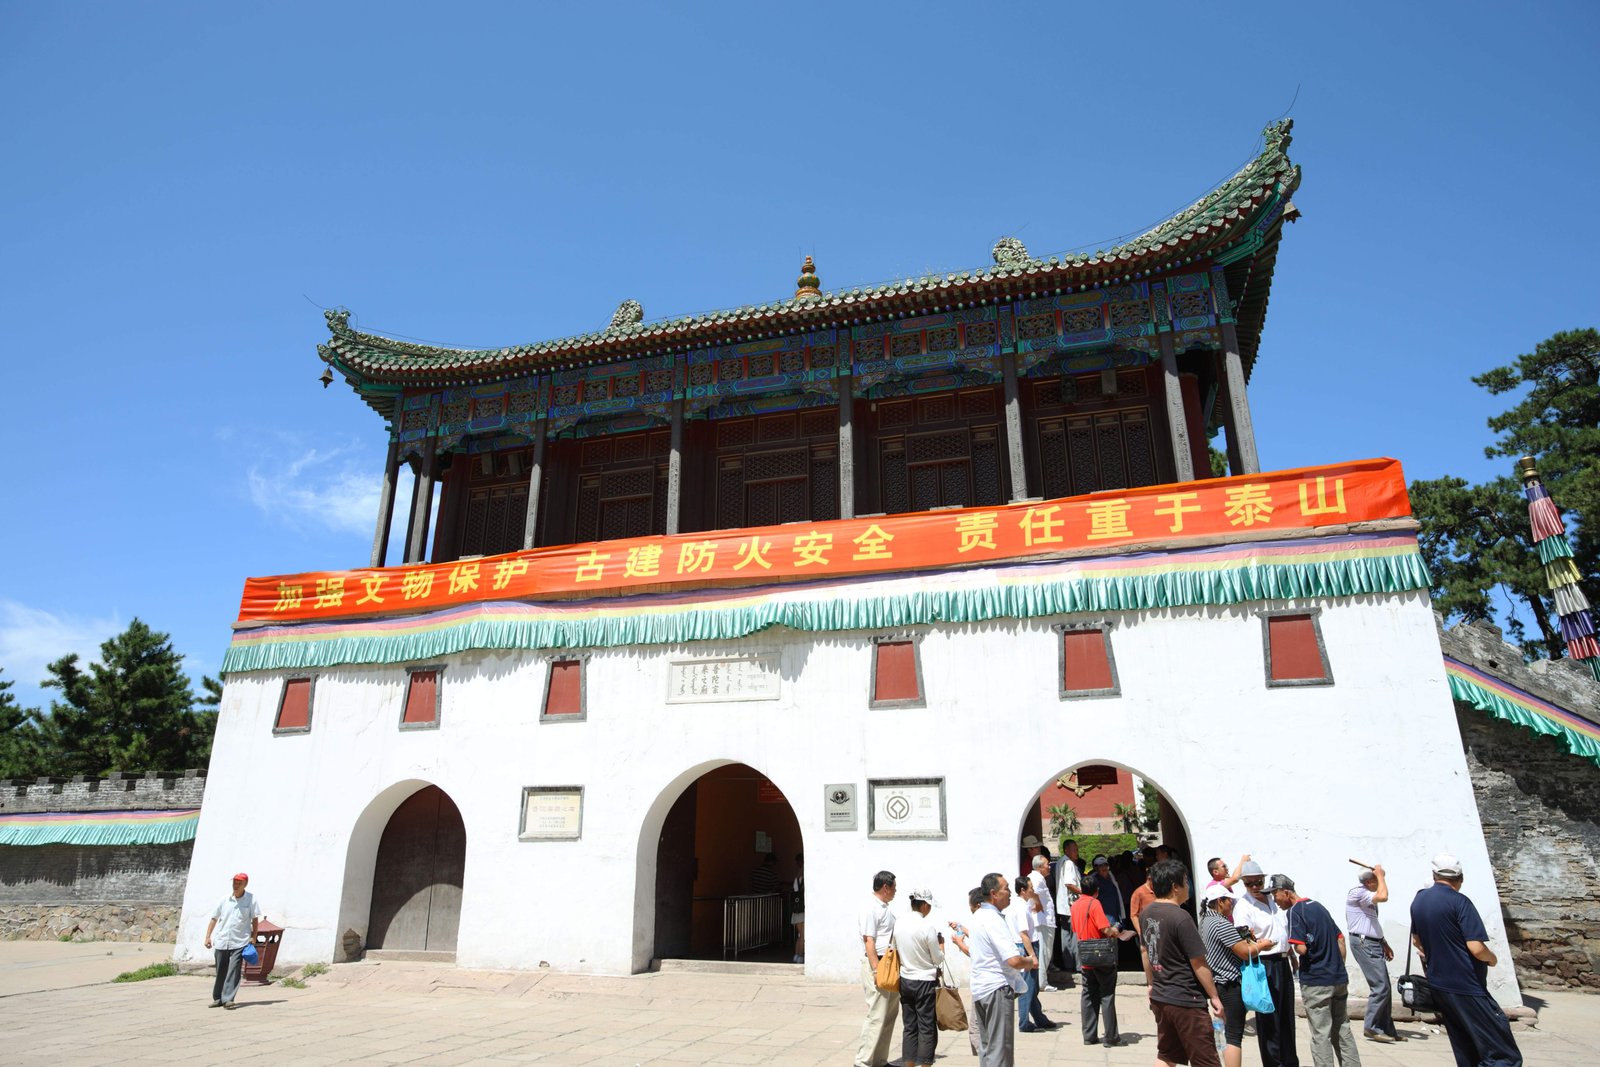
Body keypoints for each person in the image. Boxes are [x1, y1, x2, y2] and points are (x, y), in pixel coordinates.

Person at [1409, 853, 1523, 1067]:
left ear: (1434, 876)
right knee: (1503, 1055)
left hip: (1439, 984)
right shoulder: (1459, 902)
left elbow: (1417, 941)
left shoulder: (1419, 900)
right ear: (1460, 878)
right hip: (1466, 985)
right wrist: (1492, 959)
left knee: (1466, 1048)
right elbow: (1476, 948)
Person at [1141, 859, 1225, 1067]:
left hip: (1161, 995)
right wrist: (1214, 996)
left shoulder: (1147, 913)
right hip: (1186, 998)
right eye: (1186, 881)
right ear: (1174, 886)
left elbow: (1145, 951)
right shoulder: (1181, 917)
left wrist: (1151, 983)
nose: (1189, 886)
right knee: (1206, 1060)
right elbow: (1198, 962)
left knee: (1167, 1055)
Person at [1272, 874, 1362, 1067]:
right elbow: (1340, 940)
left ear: (1286, 893)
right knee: (1343, 1030)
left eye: (1275, 895)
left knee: (1321, 1034)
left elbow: (1302, 948)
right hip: (1337, 979)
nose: (1274, 900)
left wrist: (1297, 952)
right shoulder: (1319, 907)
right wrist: (1338, 967)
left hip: (1316, 982)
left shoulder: (1295, 912)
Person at [1233, 860, 1298, 1067]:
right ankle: (1274, 1063)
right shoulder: (1243, 906)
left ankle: (1289, 1061)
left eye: (1258, 882)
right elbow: (1244, 938)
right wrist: (1260, 944)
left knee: (1287, 1016)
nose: (1254, 887)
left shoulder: (1273, 899)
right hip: (1265, 962)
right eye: (1249, 884)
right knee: (1269, 1018)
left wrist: (1292, 954)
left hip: (1283, 960)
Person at [1201, 883, 1274, 1067]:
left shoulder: (1206, 921)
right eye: (1229, 901)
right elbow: (1245, 952)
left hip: (1219, 983)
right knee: (1233, 1035)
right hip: (1230, 984)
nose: (1231, 905)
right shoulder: (1220, 923)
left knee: (1224, 1032)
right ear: (1219, 901)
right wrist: (1263, 945)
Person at [970, 872, 1035, 1067]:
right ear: (994, 893)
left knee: (988, 1047)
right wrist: (1030, 961)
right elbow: (1013, 960)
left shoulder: (978, 915)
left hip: (981, 988)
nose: (1009, 893)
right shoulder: (992, 919)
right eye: (1006, 888)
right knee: (999, 1050)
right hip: (996, 988)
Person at [1070, 869, 1133, 1046]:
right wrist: (1117, 930)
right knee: (1106, 994)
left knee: (1088, 995)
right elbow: (1105, 929)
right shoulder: (1095, 904)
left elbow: (1075, 929)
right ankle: (1111, 1037)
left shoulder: (1075, 906)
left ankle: (1089, 1036)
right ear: (1097, 890)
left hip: (1085, 955)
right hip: (1100, 954)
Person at [1345, 864, 1401, 1043]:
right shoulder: (1358, 893)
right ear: (1369, 881)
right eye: (1376, 881)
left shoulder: (1368, 898)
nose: (1380, 884)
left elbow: (1371, 922)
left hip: (1372, 942)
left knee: (1385, 986)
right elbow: (1384, 896)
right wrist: (1381, 875)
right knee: (1380, 985)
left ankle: (1385, 1027)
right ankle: (1372, 1027)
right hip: (1364, 943)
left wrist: (1383, 942)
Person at [895, 888, 945, 1067]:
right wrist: (942, 946)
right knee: (926, 1026)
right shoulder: (927, 926)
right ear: (924, 905)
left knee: (909, 1027)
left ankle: (908, 1064)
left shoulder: (899, 923)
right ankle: (924, 1064)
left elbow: (895, 948)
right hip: (924, 980)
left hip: (906, 979)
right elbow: (937, 958)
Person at [855, 870, 900, 1067]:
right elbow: (869, 941)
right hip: (878, 964)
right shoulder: (870, 908)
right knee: (876, 1014)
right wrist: (875, 969)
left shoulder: (885, 908)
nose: (895, 892)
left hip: (889, 964)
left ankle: (880, 1060)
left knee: (889, 1014)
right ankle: (863, 1061)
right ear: (885, 887)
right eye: (894, 888)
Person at [1008, 876, 1059, 1032]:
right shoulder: (1021, 908)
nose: (1033, 890)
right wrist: (1033, 956)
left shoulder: (1019, 904)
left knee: (1032, 986)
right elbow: (1024, 934)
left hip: (1024, 945)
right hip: (1027, 946)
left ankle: (1039, 1018)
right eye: (1030, 888)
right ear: (1023, 890)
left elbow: (1038, 904)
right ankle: (1024, 1022)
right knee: (1027, 987)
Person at [204, 871, 261, 1009]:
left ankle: (228, 998)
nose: (236, 885)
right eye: (234, 882)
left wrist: (253, 938)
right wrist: (208, 937)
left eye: (239, 882)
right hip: (222, 940)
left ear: (245, 884)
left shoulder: (251, 899)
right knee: (220, 970)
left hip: (240, 940)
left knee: (234, 970)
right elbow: (214, 918)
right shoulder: (224, 900)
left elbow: (254, 920)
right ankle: (218, 998)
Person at [1028, 853, 1059, 991]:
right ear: (1040, 867)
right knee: (1045, 951)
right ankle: (1042, 982)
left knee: (1044, 951)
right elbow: (1030, 892)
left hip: (1043, 919)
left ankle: (1042, 980)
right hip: (1043, 920)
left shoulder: (1036, 877)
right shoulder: (1037, 879)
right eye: (1047, 864)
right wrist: (1038, 902)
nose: (1049, 867)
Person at [1055, 838, 1082, 987]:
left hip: (1063, 906)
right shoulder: (1069, 863)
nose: (1077, 852)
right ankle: (1077, 965)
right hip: (1071, 905)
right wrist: (1084, 893)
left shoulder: (1060, 862)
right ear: (1067, 850)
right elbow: (1069, 883)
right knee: (1075, 935)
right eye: (1074, 849)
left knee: (1067, 936)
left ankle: (1068, 963)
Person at [1129, 865, 1157, 987]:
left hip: (1160, 930)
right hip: (1147, 932)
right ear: (1150, 878)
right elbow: (1133, 915)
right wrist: (1140, 932)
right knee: (1147, 954)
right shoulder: (1139, 892)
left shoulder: (1160, 891)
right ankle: (1151, 983)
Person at [791, 851, 805, 964]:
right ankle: (800, 955)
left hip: (795, 910)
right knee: (803, 935)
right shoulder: (805, 880)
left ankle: (796, 955)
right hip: (803, 910)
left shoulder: (796, 880)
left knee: (799, 934)